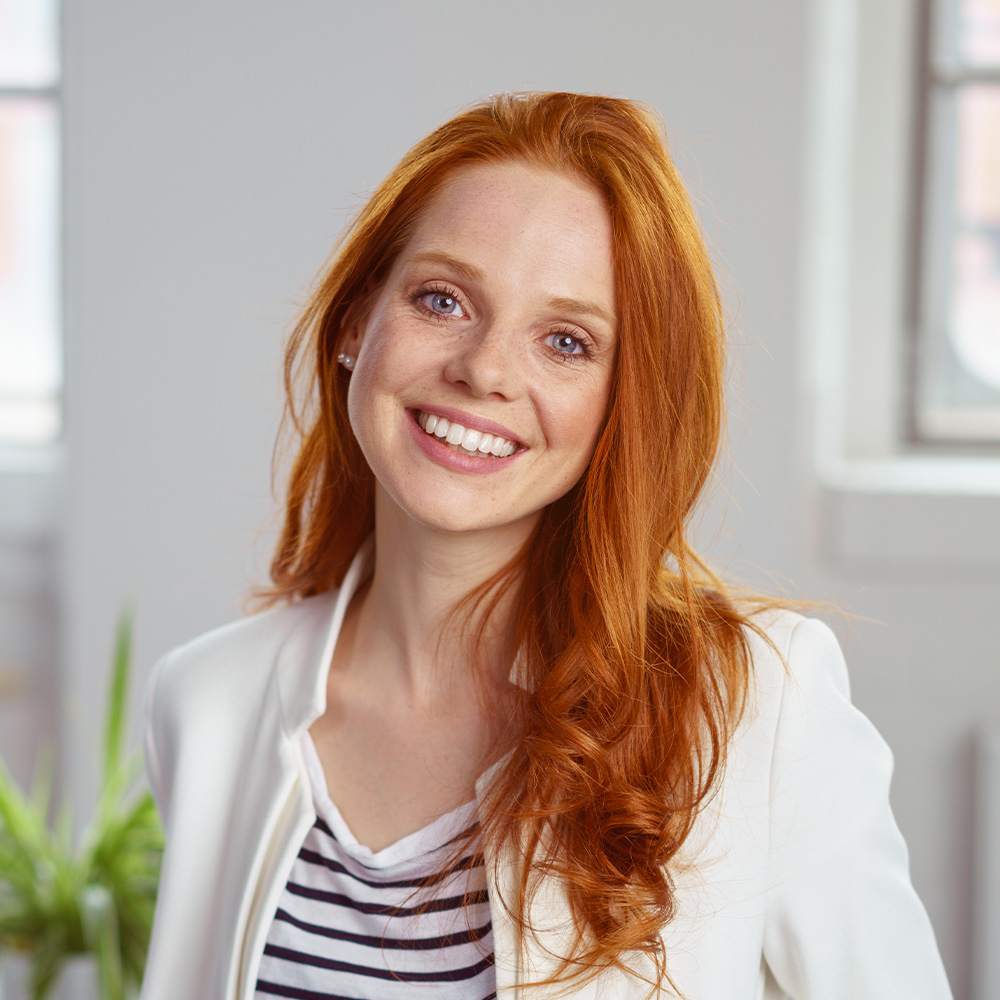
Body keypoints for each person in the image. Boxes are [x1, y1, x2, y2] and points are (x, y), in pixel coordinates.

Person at [138, 92, 953, 1000]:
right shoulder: (207, 703)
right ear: (355, 321)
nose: (484, 369)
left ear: (621, 403)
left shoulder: (756, 709)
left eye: (566, 341)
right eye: (442, 299)